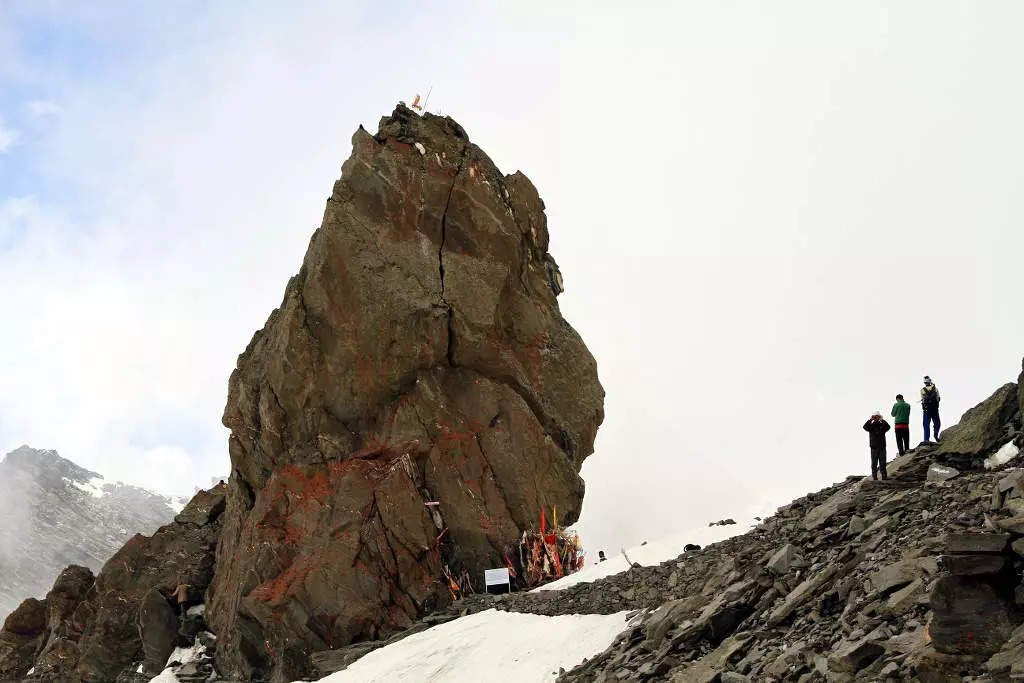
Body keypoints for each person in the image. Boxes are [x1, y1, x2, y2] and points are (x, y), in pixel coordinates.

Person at [863, 411, 891, 480]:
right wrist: (870, 420)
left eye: (877, 417)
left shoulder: (882, 425)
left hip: (882, 447)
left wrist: (882, 420)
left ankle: (884, 477)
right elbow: (864, 427)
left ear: (879, 417)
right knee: (874, 464)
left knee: (883, 463)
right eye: (874, 417)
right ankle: (875, 477)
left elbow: (888, 427)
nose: (875, 418)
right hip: (874, 447)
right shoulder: (871, 426)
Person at [921, 376, 941, 442]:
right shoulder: (935, 388)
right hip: (934, 409)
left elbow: (923, 400)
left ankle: (926, 439)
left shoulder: (922, 390)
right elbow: (938, 398)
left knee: (926, 425)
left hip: (926, 410)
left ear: (924, 382)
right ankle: (935, 434)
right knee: (937, 423)